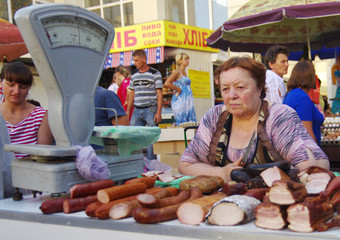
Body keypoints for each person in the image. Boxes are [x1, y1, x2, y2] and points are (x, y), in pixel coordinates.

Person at [178, 56, 329, 182]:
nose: (231, 95)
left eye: (240, 87)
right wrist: (223, 173)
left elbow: (317, 168)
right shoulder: (215, 118)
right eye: (225, 89)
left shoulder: (278, 117)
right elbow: (186, 164)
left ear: (259, 88)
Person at [0, 62, 53, 158]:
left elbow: (43, 157)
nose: (16, 91)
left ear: (29, 88)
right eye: (11, 85)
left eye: (22, 87)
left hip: (30, 171)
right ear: (1, 83)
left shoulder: (41, 116)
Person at [127, 49, 163, 159]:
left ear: (144, 59)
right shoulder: (134, 74)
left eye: (137, 60)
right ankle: (135, 159)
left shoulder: (155, 73)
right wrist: (128, 110)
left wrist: (158, 112)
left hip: (151, 109)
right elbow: (132, 93)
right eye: (134, 60)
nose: (135, 63)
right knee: (133, 136)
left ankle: (151, 161)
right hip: (137, 109)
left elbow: (159, 93)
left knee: (151, 137)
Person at [283, 60, 325, 146]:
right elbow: (307, 134)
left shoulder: (291, 94)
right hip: (306, 152)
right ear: (310, 76)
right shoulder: (302, 98)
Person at [164, 53, 196, 126]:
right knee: (182, 116)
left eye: (188, 59)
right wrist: (178, 89)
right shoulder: (177, 72)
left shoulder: (184, 72)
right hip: (181, 98)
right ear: (180, 60)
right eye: (185, 59)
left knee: (189, 116)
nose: (187, 61)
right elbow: (167, 83)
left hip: (187, 98)